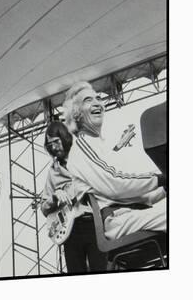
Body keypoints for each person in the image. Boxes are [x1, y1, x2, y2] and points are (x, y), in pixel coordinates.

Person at [62, 81, 166, 241]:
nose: (97, 103)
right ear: (77, 114)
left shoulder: (101, 146)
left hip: (133, 212)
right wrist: (161, 178)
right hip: (117, 219)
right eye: (88, 100)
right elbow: (116, 184)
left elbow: (141, 197)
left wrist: (165, 187)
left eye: (98, 98)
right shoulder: (82, 146)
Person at [40, 121, 107, 273]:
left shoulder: (83, 159)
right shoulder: (52, 172)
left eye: (56, 142)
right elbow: (43, 208)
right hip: (70, 232)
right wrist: (55, 197)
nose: (54, 148)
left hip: (93, 224)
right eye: (50, 145)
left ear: (65, 138)